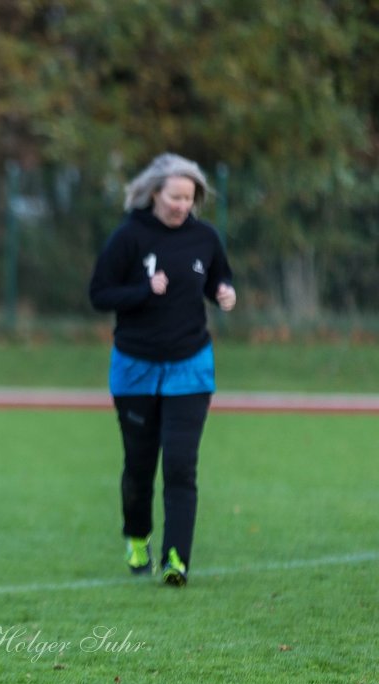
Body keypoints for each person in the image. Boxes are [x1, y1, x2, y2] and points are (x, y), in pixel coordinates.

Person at [89, 152, 237, 586]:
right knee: (139, 464)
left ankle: (177, 558)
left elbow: (217, 280)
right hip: (135, 366)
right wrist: (142, 290)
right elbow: (100, 294)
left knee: (179, 464)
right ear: (155, 193)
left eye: (188, 198)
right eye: (174, 197)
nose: (181, 206)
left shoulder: (205, 238)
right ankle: (137, 537)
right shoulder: (128, 237)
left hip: (190, 366)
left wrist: (225, 293)